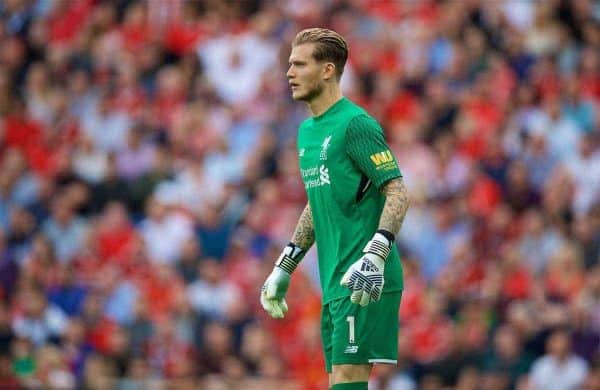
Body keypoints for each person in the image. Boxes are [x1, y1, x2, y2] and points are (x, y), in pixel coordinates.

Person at [260, 28, 410, 390]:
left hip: (364, 276)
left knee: (347, 378)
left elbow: (398, 192)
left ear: (327, 70)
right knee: (340, 382)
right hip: (333, 277)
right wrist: (285, 265)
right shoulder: (307, 133)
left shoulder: (355, 125)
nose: (289, 73)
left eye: (299, 64)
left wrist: (374, 256)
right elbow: (318, 204)